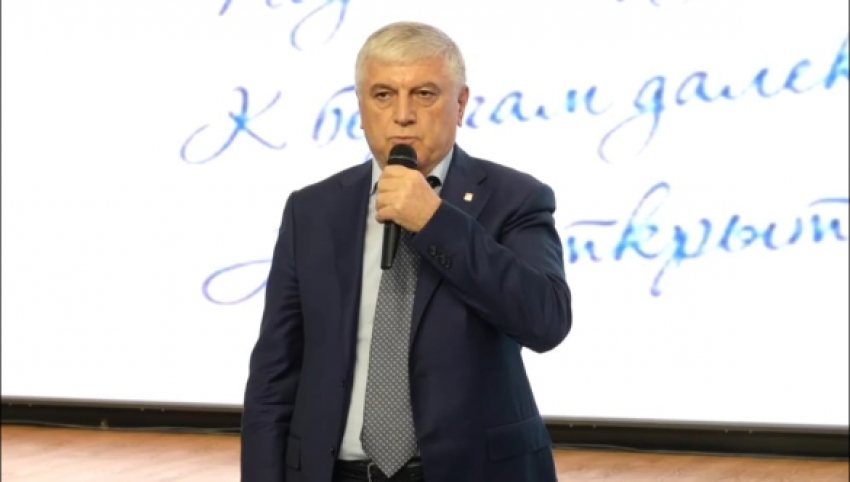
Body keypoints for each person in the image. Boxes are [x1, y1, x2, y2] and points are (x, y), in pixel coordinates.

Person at [241, 21, 572, 482]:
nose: (402, 115)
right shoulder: (311, 210)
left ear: (460, 104)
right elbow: (274, 375)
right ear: (361, 107)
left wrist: (436, 221)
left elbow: (545, 320)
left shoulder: (516, 198)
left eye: (424, 94)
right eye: (383, 95)